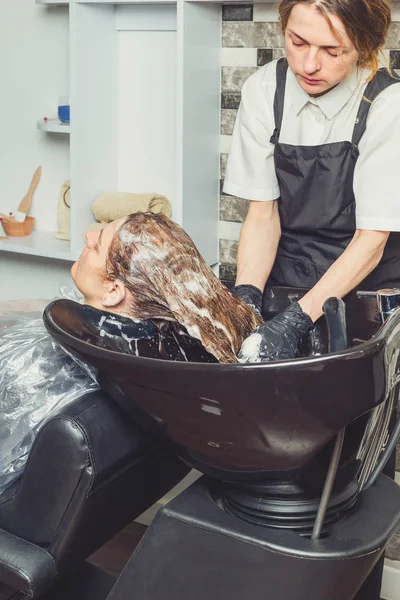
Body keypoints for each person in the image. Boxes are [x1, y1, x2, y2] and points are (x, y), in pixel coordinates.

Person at [223, 0, 400, 596]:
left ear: (366, 50)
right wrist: (250, 300)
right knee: (275, 457)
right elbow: (262, 212)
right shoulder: (263, 90)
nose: (310, 62)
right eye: (298, 42)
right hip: (289, 278)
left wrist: (299, 319)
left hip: (369, 292)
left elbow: (372, 241)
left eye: (333, 51)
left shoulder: (389, 104)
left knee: (353, 470)